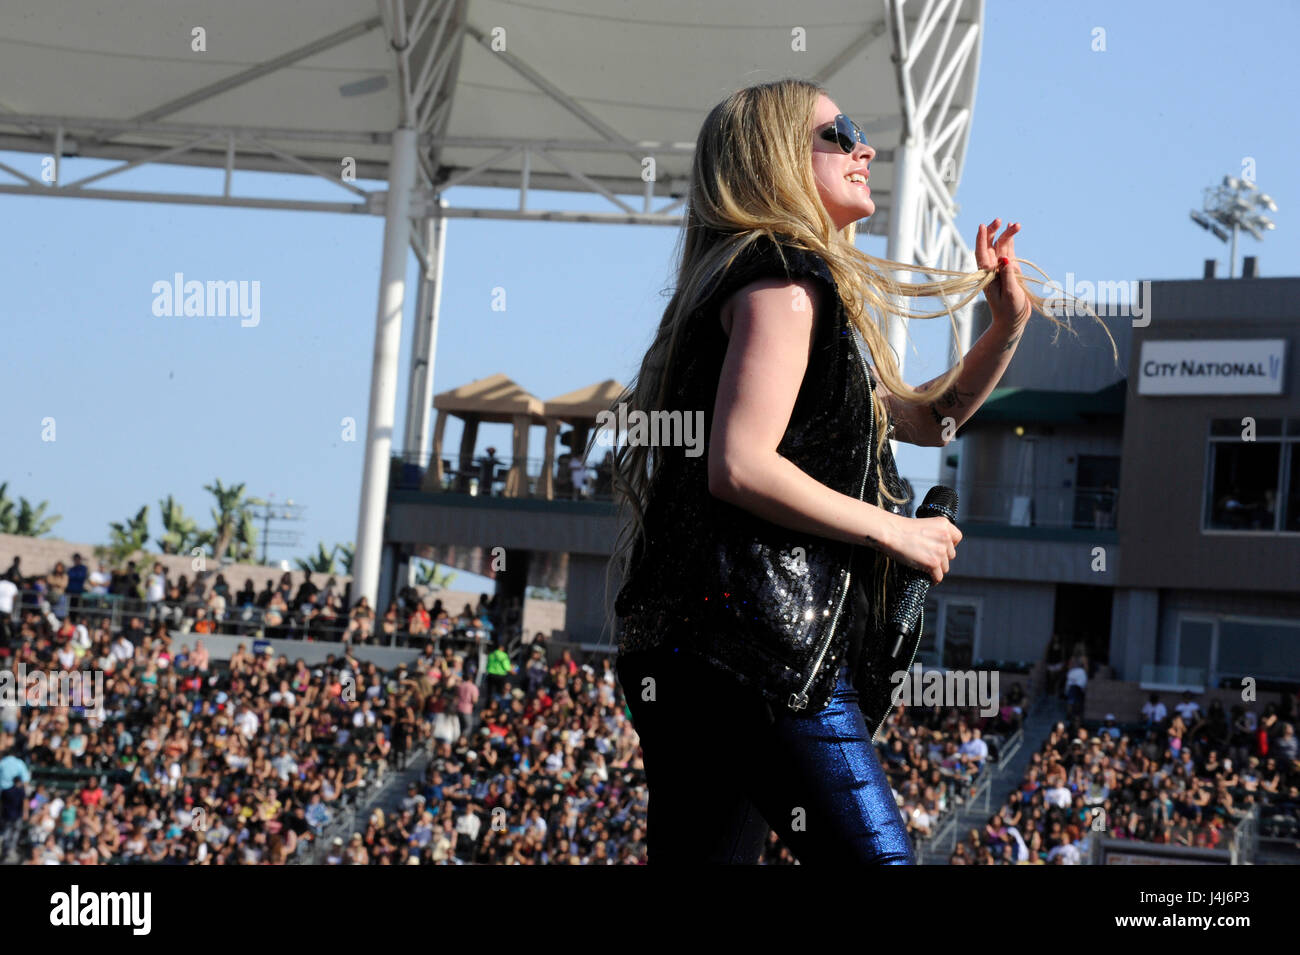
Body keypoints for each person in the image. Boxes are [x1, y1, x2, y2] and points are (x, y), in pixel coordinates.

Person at [606, 79, 1103, 865]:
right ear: (775, 159)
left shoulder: (756, 280)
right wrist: (895, 532)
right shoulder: (786, 281)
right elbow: (739, 464)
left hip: (694, 653)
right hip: (766, 650)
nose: (865, 148)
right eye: (840, 133)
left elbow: (921, 421)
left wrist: (1006, 327)